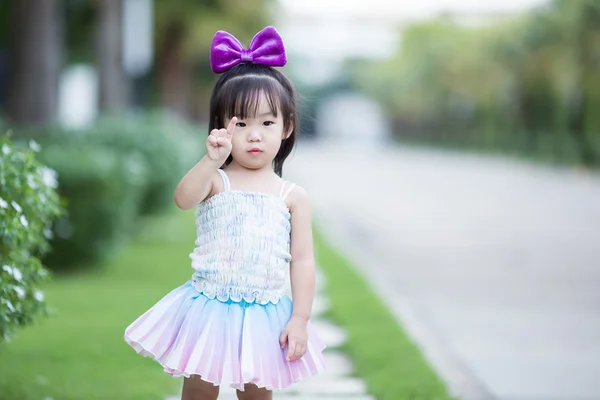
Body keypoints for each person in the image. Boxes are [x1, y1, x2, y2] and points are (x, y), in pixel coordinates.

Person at [124, 26, 326, 400]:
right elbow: (183, 199)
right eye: (242, 124)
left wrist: (300, 319)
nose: (254, 135)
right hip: (210, 307)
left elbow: (303, 261)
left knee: (256, 393)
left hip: (265, 312)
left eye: (267, 123)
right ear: (222, 127)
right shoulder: (216, 180)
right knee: (199, 391)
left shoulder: (292, 196)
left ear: (287, 128)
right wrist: (210, 159)